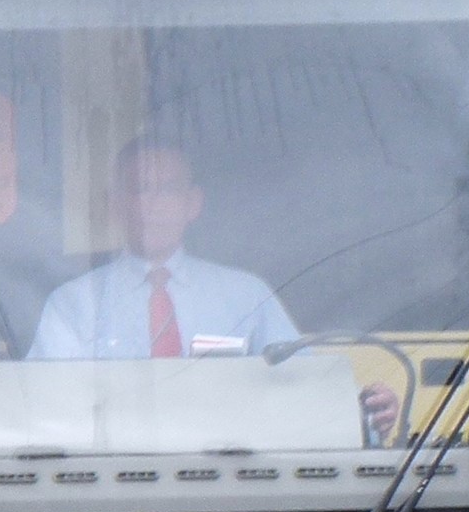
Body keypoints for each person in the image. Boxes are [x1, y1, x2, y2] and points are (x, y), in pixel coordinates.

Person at [28, 137, 301, 361]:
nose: (155, 204)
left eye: (169, 189)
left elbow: (297, 383)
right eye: (141, 189)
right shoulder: (73, 304)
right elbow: (50, 397)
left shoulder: (247, 296)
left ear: (192, 204)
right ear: (116, 204)